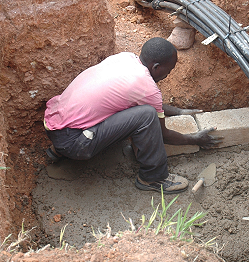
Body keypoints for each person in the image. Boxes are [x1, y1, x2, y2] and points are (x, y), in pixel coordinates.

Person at [43, 37, 222, 194]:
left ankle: (57, 151)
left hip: (56, 124)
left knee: (127, 109)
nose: (168, 75)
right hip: (75, 143)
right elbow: (163, 134)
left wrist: (180, 112)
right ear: (157, 67)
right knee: (147, 116)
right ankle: (153, 178)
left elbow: (135, 99)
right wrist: (195, 139)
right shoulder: (147, 87)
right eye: (169, 70)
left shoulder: (125, 58)